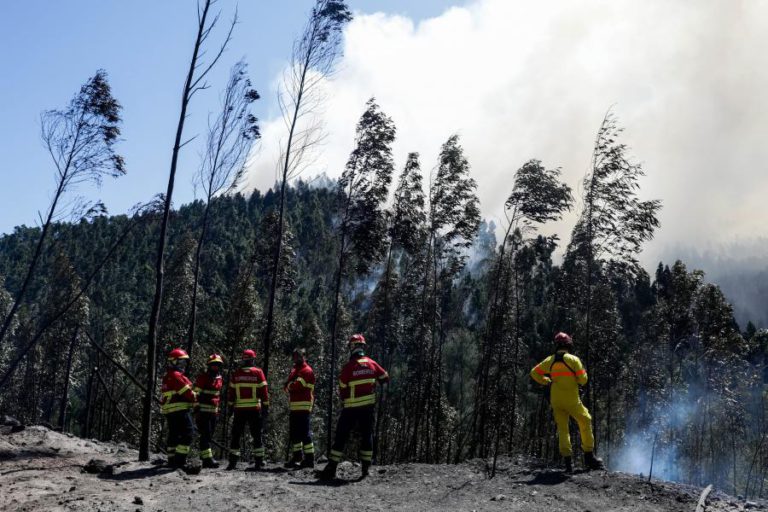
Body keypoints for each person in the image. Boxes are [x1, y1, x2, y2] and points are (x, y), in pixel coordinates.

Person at [530, 332, 604, 473]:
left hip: (556, 400)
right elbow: (583, 380)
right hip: (572, 400)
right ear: (569, 344)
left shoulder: (550, 360)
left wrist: (546, 381)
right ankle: (589, 457)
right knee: (585, 420)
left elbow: (534, 372)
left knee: (563, 429)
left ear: (556, 345)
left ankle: (568, 463)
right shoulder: (573, 360)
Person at [318, 334, 389, 480]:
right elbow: (385, 378)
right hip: (368, 408)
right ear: (362, 347)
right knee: (366, 436)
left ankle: (331, 468)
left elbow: (342, 387)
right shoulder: (372, 363)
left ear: (352, 347)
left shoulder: (349, 367)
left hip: (350, 408)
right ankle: (365, 469)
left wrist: (345, 398)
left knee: (341, 436)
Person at [227, 348, 269, 470]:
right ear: (253, 360)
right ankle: (259, 462)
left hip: (239, 410)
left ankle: (232, 462)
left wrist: (230, 408)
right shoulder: (258, 372)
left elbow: (231, 393)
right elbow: (264, 392)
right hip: (254, 409)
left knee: (236, 436)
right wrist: (266, 407)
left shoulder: (236, 374)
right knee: (257, 435)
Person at [160, 348, 197, 468]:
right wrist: (197, 397)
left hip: (170, 410)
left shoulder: (167, 376)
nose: (184, 365)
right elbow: (188, 393)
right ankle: (180, 461)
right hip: (180, 410)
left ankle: (171, 459)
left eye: (185, 362)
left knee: (174, 434)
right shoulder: (176, 376)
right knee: (188, 433)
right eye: (181, 362)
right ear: (173, 362)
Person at [283, 348, 316, 469]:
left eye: (299, 356)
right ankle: (297, 457)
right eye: (295, 356)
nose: (296, 358)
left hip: (303, 407)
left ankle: (309, 459)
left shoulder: (306, 370)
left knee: (304, 434)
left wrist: (289, 384)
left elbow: (296, 385)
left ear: (304, 356)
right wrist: (289, 384)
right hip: (295, 407)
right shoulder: (295, 370)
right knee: (294, 434)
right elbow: (287, 386)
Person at [193, 353, 224, 469]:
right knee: (205, 435)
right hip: (203, 411)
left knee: (209, 435)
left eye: (217, 365)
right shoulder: (203, 377)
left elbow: (218, 396)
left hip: (213, 412)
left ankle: (205, 457)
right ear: (209, 366)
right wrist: (196, 408)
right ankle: (207, 459)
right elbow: (196, 394)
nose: (215, 367)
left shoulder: (219, 378)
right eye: (213, 365)